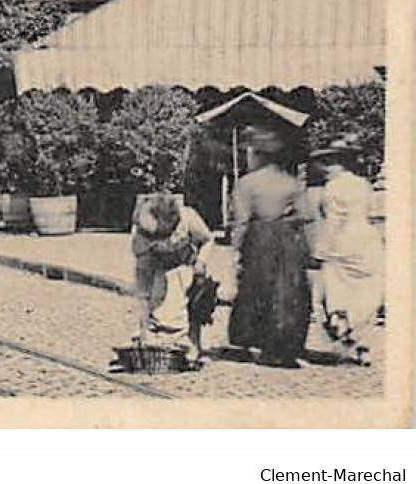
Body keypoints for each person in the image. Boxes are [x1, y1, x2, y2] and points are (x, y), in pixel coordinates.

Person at [228, 128, 312, 367]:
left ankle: (253, 339)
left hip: (260, 238)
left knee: (257, 288)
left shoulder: (246, 184)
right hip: (288, 240)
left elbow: (241, 221)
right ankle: (282, 344)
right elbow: (305, 216)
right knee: (287, 292)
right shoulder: (292, 183)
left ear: (256, 154)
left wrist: (235, 251)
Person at [312, 140, 382, 366]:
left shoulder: (331, 189)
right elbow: (370, 212)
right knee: (366, 291)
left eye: (327, 163)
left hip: (342, 242)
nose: (323, 168)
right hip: (367, 240)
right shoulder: (363, 184)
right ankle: (363, 346)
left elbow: (333, 221)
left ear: (338, 163)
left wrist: (322, 249)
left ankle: (343, 325)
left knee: (337, 290)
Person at [131, 193, 216, 365]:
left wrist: (201, 261)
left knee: (191, 303)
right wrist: (143, 319)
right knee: (159, 303)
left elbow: (208, 240)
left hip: (187, 266)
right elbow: (142, 277)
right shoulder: (139, 235)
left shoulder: (188, 217)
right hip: (158, 270)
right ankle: (161, 341)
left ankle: (192, 344)